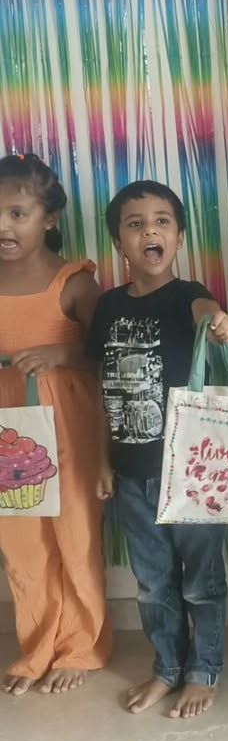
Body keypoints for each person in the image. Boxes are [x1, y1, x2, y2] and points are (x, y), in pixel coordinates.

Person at [88, 180, 228, 720]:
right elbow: (101, 388)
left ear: (178, 237)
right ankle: (167, 667)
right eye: (135, 224)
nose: (149, 231)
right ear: (119, 243)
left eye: (161, 221)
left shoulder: (186, 295)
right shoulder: (108, 306)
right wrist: (102, 460)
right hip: (131, 474)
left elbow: (205, 310)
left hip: (192, 473)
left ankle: (204, 670)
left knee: (202, 582)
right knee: (153, 585)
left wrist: (218, 321)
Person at [0, 153, 111, 697]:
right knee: (22, 538)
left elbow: (110, 358)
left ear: (48, 218)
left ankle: (83, 646)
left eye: (17, 214)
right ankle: (38, 644)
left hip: (69, 427)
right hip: (9, 431)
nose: (4, 226)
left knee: (74, 533)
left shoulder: (75, 282)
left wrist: (61, 354)